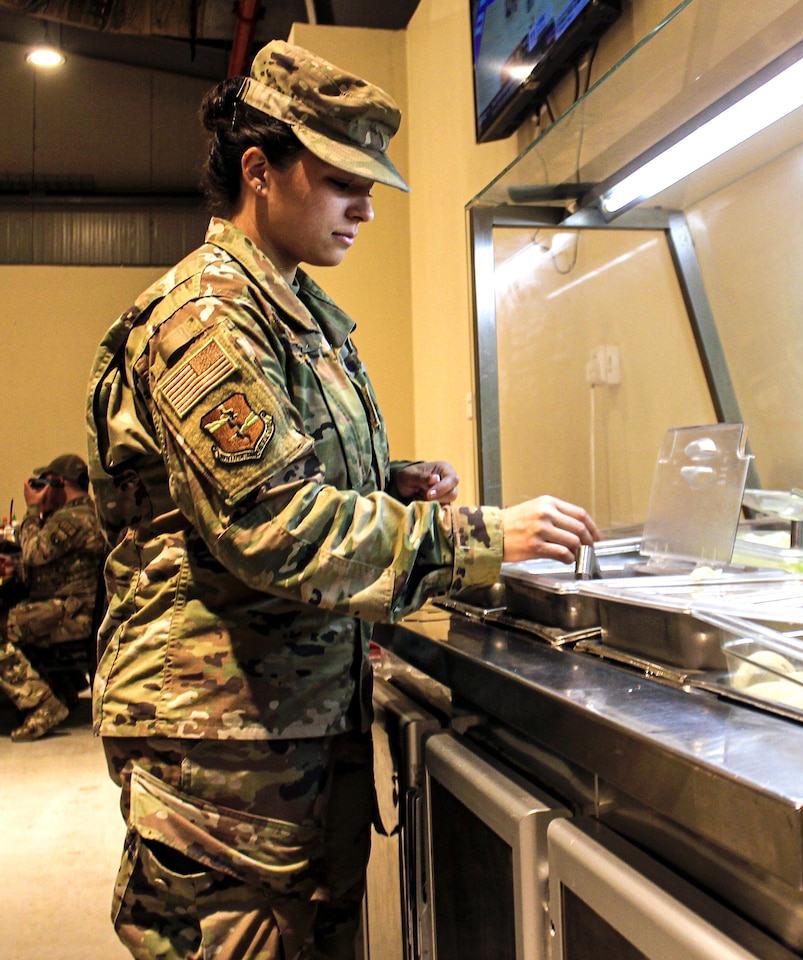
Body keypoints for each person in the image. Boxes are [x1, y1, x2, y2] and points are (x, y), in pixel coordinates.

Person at [85, 39, 600, 960]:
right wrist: (479, 534)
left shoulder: (302, 311)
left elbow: (281, 483)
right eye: (340, 180)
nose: (365, 208)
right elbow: (277, 529)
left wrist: (392, 485)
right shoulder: (205, 319)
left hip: (293, 725)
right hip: (224, 756)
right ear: (260, 172)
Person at [0, 453, 107, 742]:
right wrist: (16, 567)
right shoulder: (85, 514)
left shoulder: (70, 518)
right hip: (68, 607)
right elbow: (57, 565)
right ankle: (61, 687)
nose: (39, 489)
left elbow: (34, 551)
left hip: (69, 614)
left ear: (59, 483)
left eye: (43, 483)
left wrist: (33, 509)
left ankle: (41, 704)